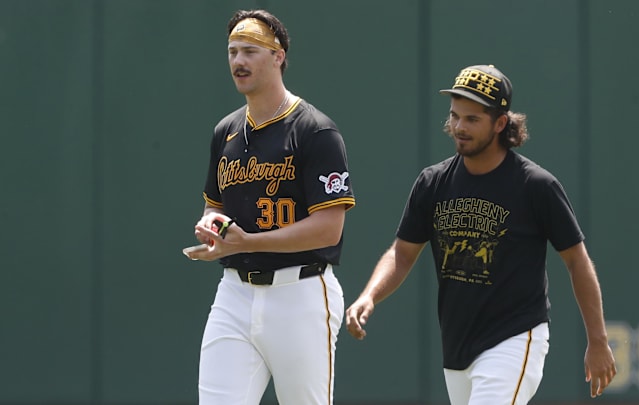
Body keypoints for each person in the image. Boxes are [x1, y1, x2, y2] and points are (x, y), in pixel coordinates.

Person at [345, 64, 616, 404]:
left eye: (472, 119)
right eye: (455, 116)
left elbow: (577, 262)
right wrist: (370, 295)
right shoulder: (433, 182)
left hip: (515, 338)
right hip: (457, 347)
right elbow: (402, 253)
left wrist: (598, 340)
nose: (459, 127)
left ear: (501, 124)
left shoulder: (536, 186)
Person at [183, 9, 355, 405]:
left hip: (301, 292)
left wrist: (248, 242)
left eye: (250, 51)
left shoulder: (315, 130)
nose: (238, 62)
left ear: (278, 56)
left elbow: (330, 228)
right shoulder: (225, 131)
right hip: (234, 295)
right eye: (232, 52)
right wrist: (213, 227)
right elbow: (213, 206)